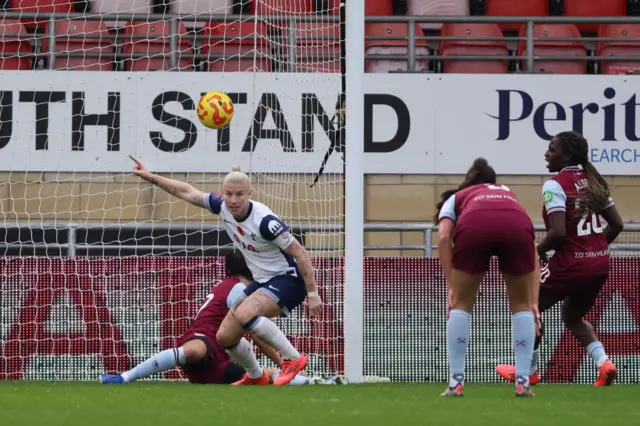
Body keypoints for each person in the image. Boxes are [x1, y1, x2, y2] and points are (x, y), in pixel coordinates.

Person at [128, 157, 323, 386]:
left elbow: (300, 252)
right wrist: (151, 177)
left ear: (250, 193)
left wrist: (313, 294)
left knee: (244, 313)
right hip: (263, 280)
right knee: (225, 336)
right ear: (223, 193)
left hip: (288, 280)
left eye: (239, 194)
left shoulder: (265, 222)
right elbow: (187, 192)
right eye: (228, 194)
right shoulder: (221, 206)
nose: (233, 200)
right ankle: (255, 376)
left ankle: (293, 358)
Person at [496, 131, 624, 387]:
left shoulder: (554, 184)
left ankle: (527, 371)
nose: (547, 153)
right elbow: (617, 224)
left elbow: (557, 233)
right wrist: (592, 250)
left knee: (528, 307)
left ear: (566, 155)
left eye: (552, 150)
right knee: (573, 317)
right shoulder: (593, 180)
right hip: (598, 263)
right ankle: (604, 364)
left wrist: (536, 253)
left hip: (572, 264)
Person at [99, 252, 308, 385]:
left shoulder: (230, 285)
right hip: (204, 339)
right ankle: (125, 377)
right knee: (193, 351)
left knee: (259, 377)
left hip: (215, 362)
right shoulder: (238, 289)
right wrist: (281, 361)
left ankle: (309, 381)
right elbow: (258, 336)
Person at [436, 158, 539, 397]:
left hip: (474, 226)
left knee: (461, 305)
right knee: (522, 307)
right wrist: (533, 301)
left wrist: (452, 286)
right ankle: (523, 382)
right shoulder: (508, 194)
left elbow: (443, 238)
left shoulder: (459, 197)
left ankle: (455, 383)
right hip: (516, 227)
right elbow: (533, 251)